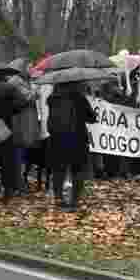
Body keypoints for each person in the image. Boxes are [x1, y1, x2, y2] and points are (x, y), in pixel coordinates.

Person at [47, 81, 96, 210]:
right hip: (77, 138)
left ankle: (58, 197)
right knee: (78, 169)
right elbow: (91, 117)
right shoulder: (79, 97)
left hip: (57, 139)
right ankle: (75, 200)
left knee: (59, 169)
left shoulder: (52, 98)